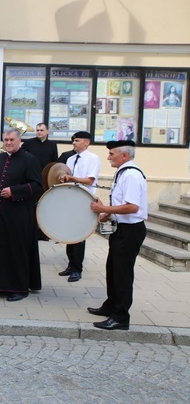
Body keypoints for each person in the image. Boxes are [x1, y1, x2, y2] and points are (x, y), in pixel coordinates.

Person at [89, 140, 147, 331]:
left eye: (112, 154)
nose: (108, 157)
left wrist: (104, 208)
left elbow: (132, 206)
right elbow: (124, 202)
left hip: (130, 231)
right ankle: (111, 306)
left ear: (125, 155)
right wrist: (109, 213)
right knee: (113, 269)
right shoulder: (124, 172)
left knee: (122, 274)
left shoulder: (131, 175)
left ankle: (121, 317)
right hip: (121, 229)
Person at [0, 128, 42, 302]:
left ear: (19, 141)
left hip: (20, 214)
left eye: (11, 140)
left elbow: (37, 185)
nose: (8, 143)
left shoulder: (29, 160)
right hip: (0, 214)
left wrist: (14, 191)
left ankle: (20, 288)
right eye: (6, 140)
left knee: (17, 250)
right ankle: (0, 285)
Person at [58, 131, 100, 282]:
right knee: (70, 234)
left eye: (77, 140)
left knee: (79, 235)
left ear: (86, 142)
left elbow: (89, 180)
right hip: (70, 199)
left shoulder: (93, 159)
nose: (74, 143)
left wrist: (71, 177)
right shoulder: (70, 159)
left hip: (83, 199)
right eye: (73, 141)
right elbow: (67, 178)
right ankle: (70, 264)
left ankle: (77, 269)